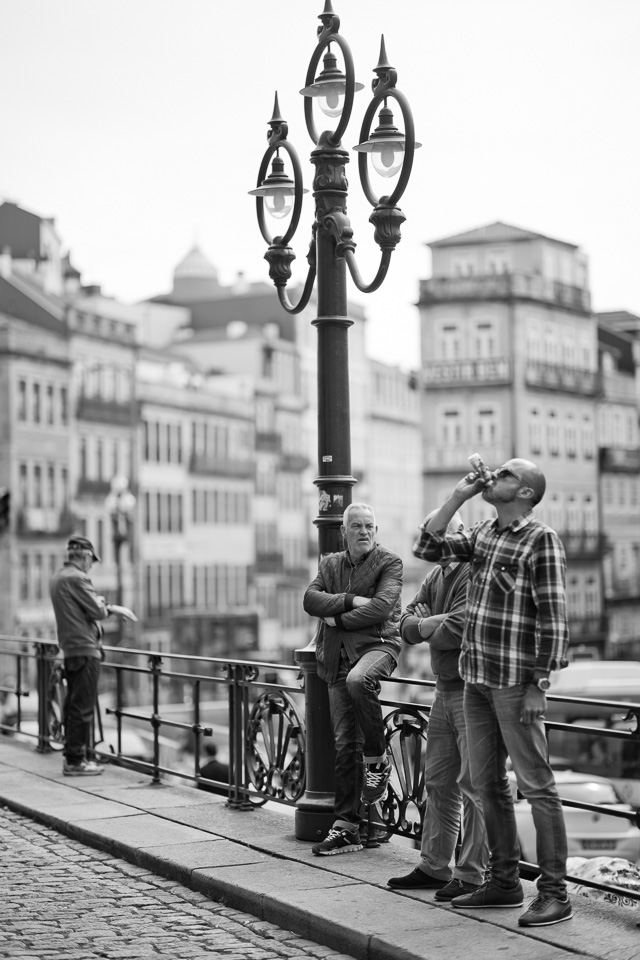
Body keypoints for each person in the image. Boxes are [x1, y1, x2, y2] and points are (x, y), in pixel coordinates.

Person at [413, 458, 572, 928]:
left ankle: (555, 893)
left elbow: (556, 622)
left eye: (504, 475)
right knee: (484, 785)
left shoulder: (541, 540)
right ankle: (503, 883)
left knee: (538, 787)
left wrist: (539, 685)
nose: (494, 478)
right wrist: (461, 493)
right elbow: (428, 544)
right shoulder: (484, 533)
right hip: (475, 680)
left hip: (515, 684)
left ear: (524, 492)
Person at [388, 511, 488, 901]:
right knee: (438, 781)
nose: (444, 541)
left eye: (451, 532)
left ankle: (472, 874)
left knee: (475, 786)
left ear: (463, 534)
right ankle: (434, 865)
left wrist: (429, 626)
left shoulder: (471, 571)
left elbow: (464, 628)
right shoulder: (434, 576)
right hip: (444, 689)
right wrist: (427, 626)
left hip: (471, 690)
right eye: (437, 534)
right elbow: (404, 623)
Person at [303, 502, 403, 856]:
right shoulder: (329, 563)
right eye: (357, 526)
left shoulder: (389, 562)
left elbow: (382, 608)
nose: (364, 531)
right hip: (335, 659)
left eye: (370, 526)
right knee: (345, 744)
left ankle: (377, 757)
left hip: (377, 648)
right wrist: (350, 599)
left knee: (360, 681)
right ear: (343, 531)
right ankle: (347, 827)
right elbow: (311, 599)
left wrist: (340, 618)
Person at [49, 535, 113, 776]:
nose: (91, 566)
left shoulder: (58, 577)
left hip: (71, 649)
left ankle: (75, 754)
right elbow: (97, 611)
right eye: (91, 561)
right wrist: (102, 603)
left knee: (73, 703)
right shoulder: (77, 578)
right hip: (85, 649)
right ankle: (76, 760)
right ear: (86, 556)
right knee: (82, 706)